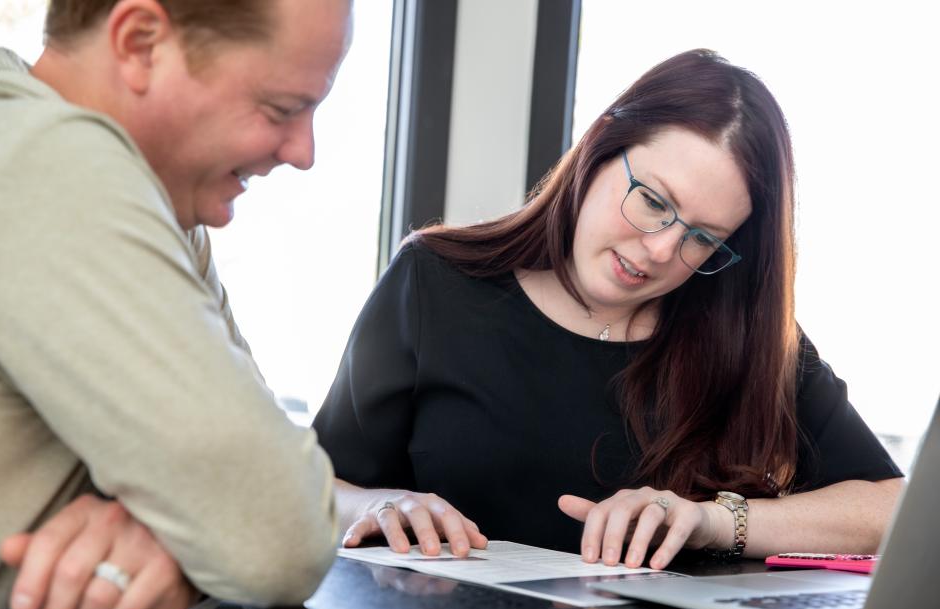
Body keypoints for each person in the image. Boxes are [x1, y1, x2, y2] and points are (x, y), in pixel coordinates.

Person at [313, 49, 904, 569]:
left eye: (703, 237)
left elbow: (893, 505)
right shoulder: (434, 281)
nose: (661, 249)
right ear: (599, 147)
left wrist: (712, 522)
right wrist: (379, 505)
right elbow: (317, 485)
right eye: (652, 202)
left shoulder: (744, 332)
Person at [0, 0, 351, 609]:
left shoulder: (168, 210)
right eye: (283, 109)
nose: (304, 152)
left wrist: (183, 540)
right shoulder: (46, 159)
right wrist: (207, 530)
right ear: (141, 42)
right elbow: (278, 527)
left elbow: (266, 481)